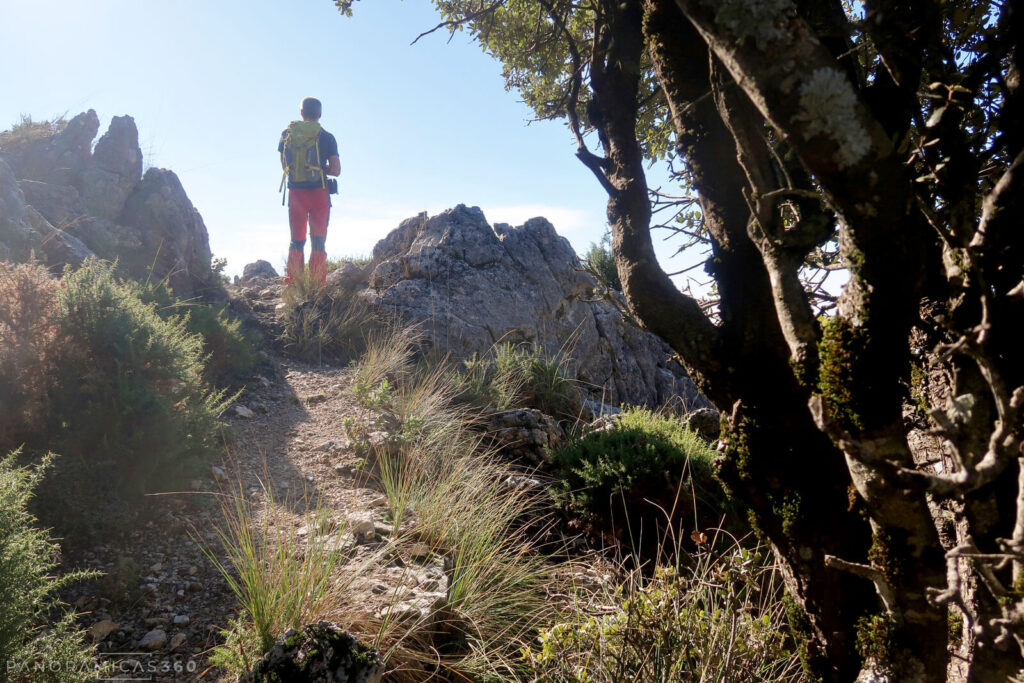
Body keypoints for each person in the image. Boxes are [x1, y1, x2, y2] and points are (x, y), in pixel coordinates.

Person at [278, 97, 340, 284]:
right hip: (319, 194)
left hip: (296, 194)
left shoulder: (287, 134)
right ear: (319, 114)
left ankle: (293, 284)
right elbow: (336, 170)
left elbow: (284, 165)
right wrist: (321, 169)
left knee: (296, 240)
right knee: (318, 241)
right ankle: (317, 285)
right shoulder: (327, 137)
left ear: (302, 113)